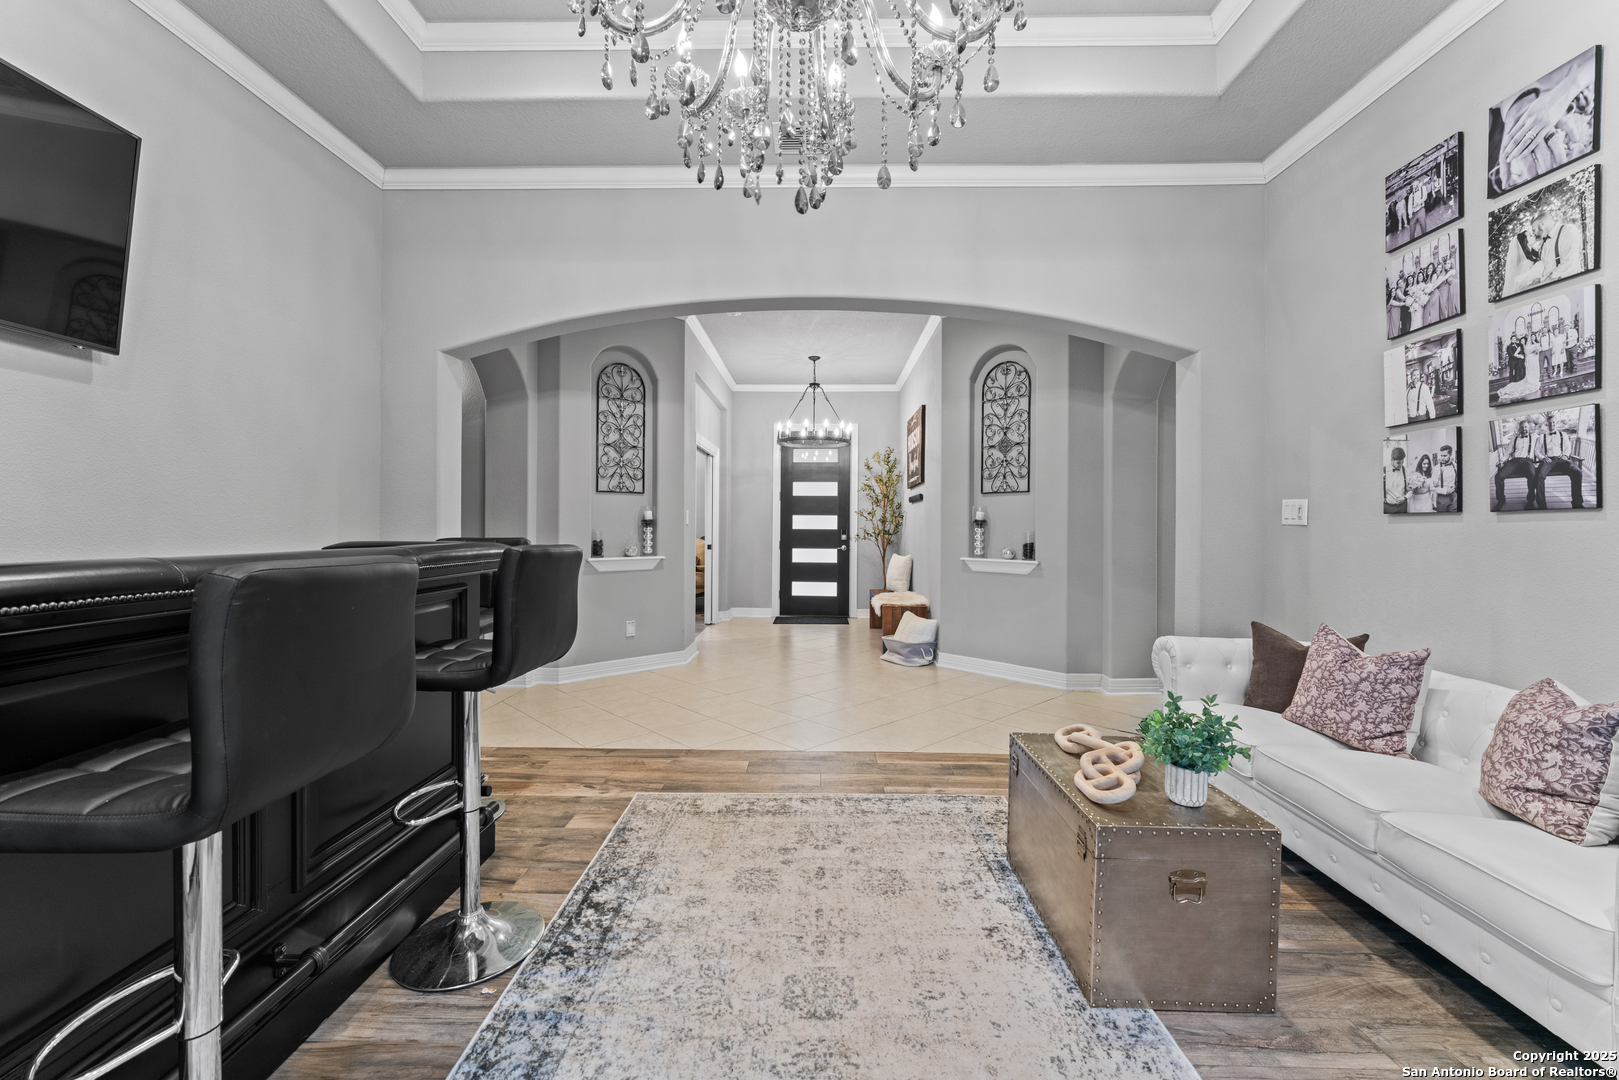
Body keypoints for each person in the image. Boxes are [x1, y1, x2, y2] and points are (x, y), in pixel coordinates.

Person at [1534, 412, 1586, 509]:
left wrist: (1566, 455)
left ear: (1556, 423)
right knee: (1539, 475)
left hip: (1562, 460)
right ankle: (1541, 505)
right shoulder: (1542, 437)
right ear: (1546, 424)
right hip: (1548, 461)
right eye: (1549, 423)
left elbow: (1567, 448)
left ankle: (1577, 503)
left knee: (1577, 472)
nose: (1552, 425)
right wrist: (1543, 457)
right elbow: (1537, 451)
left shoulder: (1563, 435)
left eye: (1553, 423)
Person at [1494, 417, 1541, 510]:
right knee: (1498, 476)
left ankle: (1530, 501)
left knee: (1532, 474)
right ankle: (1501, 500)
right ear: (1519, 429)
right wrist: (1502, 461)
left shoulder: (1535, 437)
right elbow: (1508, 452)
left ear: (1529, 428)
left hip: (1527, 462)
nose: (1524, 429)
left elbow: (1545, 441)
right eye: (1522, 427)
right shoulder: (1514, 439)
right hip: (1514, 462)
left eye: (1526, 427)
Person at [1433, 444, 1458, 513]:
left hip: (1454, 497)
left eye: (1444, 456)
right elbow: (1432, 487)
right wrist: (1445, 491)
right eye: (1441, 456)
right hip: (1442, 497)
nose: (1442, 458)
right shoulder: (1437, 468)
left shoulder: (1455, 466)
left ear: (1450, 455)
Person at [1384, 446, 1409, 513]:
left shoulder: (1405, 470)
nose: (1401, 464)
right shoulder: (1383, 471)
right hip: (1388, 507)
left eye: (1402, 462)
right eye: (1398, 462)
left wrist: (1405, 498)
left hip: (1403, 507)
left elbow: (1411, 489)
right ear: (1391, 460)